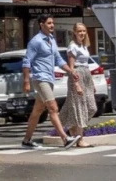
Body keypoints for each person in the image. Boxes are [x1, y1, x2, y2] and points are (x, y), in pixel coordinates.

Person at [21, 16, 77, 149]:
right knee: (53, 107)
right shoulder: (36, 41)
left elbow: (59, 59)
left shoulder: (51, 40)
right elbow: (26, 61)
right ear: (42, 25)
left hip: (50, 78)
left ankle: (26, 140)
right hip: (40, 79)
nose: (52, 25)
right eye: (49, 23)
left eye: (53, 23)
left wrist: (71, 71)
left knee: (37, 111)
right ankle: (65, 138)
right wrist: (26, 81)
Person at [57, 24, 98, 148]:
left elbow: (86, 64)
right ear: (74, 32)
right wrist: (76, 84)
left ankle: (71, 127)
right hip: (77, 75)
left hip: (86, 75)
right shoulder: (73, 46)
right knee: (80, 107)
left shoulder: (83, 46)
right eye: (79, 31)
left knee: (92, 107)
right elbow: (72, 68)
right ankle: (79, 139)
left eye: (84, 31)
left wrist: (92, 83)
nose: (82, 33)